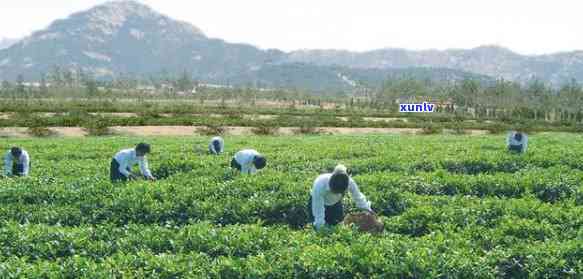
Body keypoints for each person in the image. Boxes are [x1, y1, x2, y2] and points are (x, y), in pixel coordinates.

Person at [308, 164, 374, 231]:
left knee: (339, 225)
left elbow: (359, 198)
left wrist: (368, 211)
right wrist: (321, 228)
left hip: (335, 204)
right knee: (316, 227)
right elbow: (318, 211)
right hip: (316, 204)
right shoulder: (320, 185)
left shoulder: (349, 182)